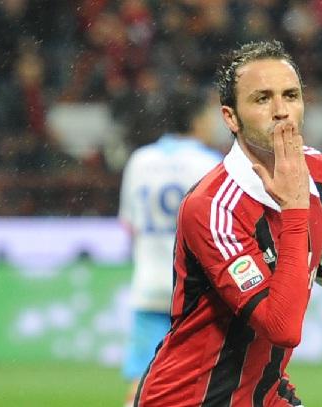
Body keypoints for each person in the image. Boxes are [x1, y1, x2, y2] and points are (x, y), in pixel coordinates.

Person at [134, 40, 322, 407]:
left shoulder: (315, 169)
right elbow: (282, 328)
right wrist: (294, 207)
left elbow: (294, 261)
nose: (281, 111)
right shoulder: (212, 208)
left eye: (291, 95)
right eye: (262, 99)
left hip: (265, 391)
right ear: (231, 117)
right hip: (191, 399)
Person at [119, 90, 223, 407]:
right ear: (197, 120)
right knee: (204, 384)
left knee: (144, 380)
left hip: (150, 285)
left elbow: (129, 225)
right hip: (195, 291)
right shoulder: (210, 164)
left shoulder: (140, 160)